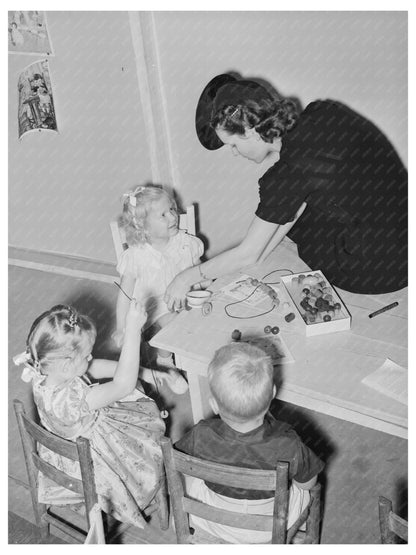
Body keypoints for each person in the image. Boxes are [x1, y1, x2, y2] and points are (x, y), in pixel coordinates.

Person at [164, 74, 407, 309]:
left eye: (233, 145)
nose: (235, 153)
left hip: (381, 269)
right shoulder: (321, 111)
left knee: (296, 226)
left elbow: (248, 252)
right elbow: (299, 193)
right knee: (295, 209)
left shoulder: (291, 172)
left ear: (250, 131)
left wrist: (185, 277)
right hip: (405, 234)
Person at [14, 301, 165, 528]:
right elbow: (123, 386)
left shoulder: (42, 373)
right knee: (148, 435)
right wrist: (133, 330)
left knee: (135, 395)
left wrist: (141, 371)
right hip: (92, 463)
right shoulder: (75, 401)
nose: (90, 358)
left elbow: (90, 369)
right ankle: (130, 496)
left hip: (61, 454)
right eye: (86, 356)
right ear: (67, 365)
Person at [175, 342, 324, 543]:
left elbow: (180, 464)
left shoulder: (200, 433)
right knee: (306, 489)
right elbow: (307, 484)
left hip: (215, 520)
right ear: (272, 394)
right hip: (272, 527)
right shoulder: (289, 443)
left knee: (186, 475)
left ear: (214, 405)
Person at [113, 183, 204, 393]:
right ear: (143, 227)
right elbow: (124, 295)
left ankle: (201, 358)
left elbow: (199, 270)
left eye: (172, 209)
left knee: (210, 315)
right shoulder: (136, 255)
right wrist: (121, 327)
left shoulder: (185, 243)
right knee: (173, 320)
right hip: (153, 311)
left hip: (186, 298)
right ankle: (166, 360)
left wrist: (208, 286)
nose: (173, 217)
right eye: (163, 215)